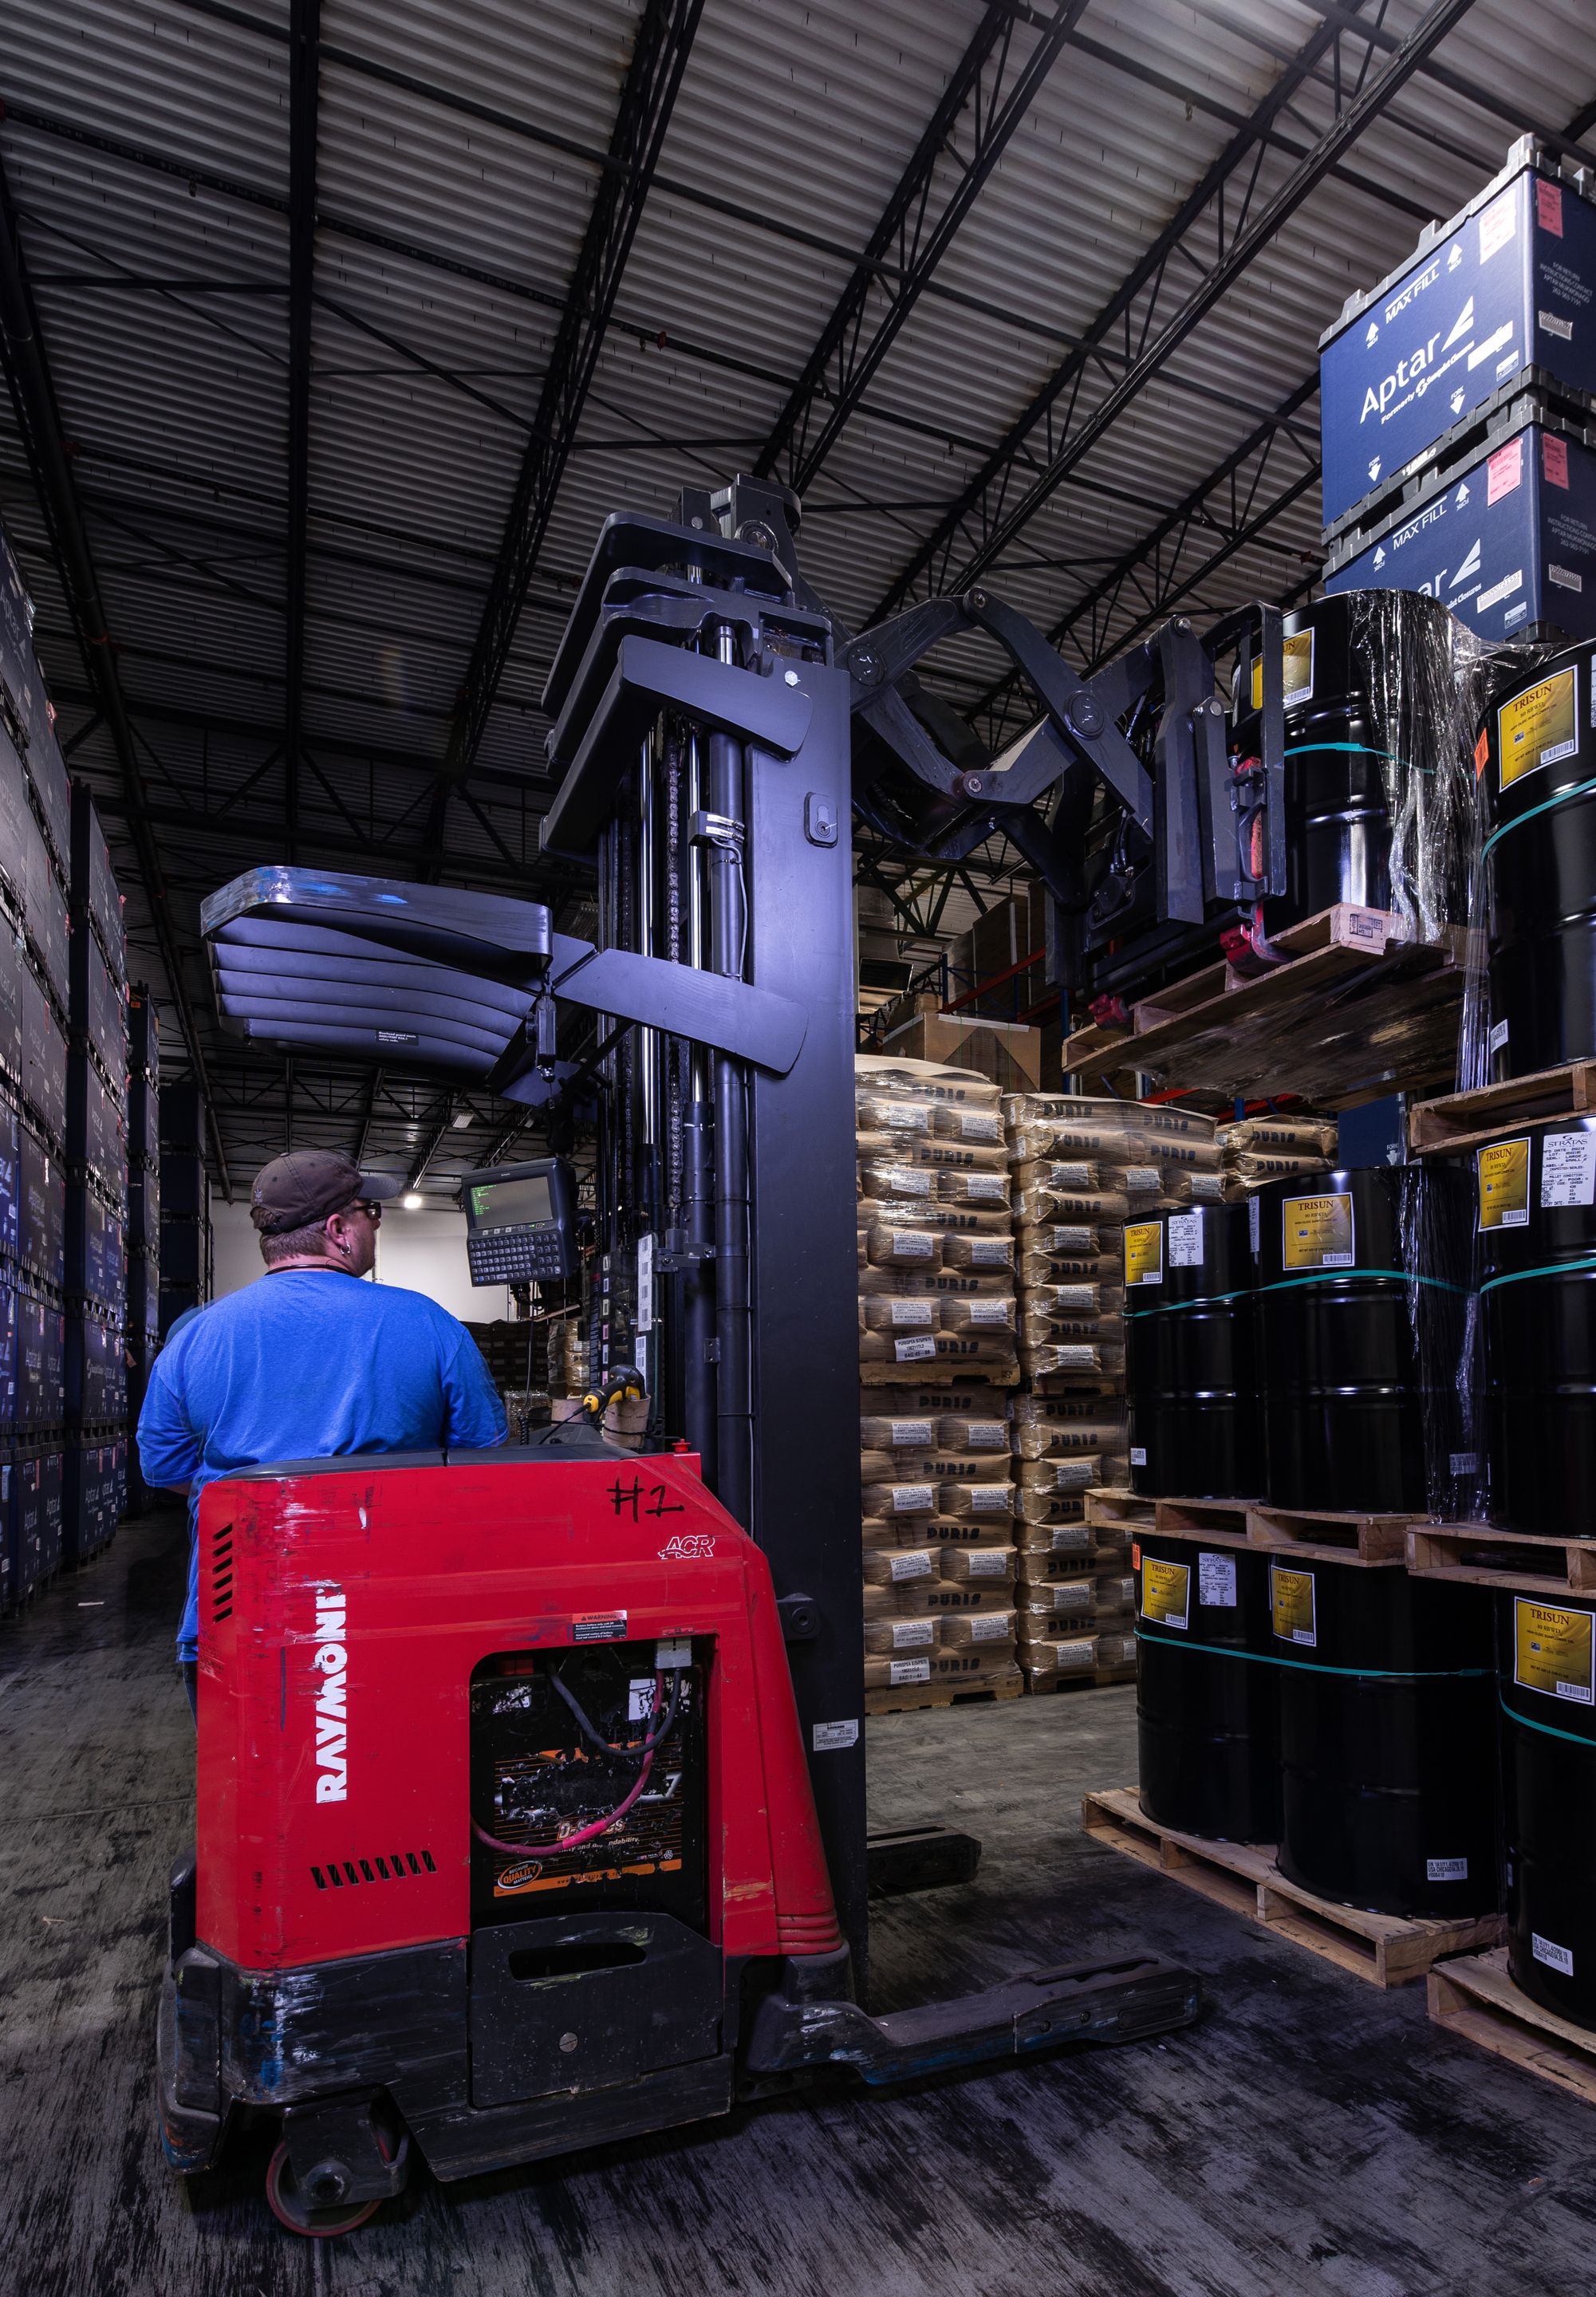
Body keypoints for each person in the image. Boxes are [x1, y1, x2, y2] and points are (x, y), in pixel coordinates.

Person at [137, 1148, 506, 1718]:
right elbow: (481, 1454)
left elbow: (165, 1468)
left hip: (238, 1611)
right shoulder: (426, 1322)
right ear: (338, 1230)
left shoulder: (196, 1335)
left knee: (252, 1792)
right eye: (369, 1213)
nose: (374, 1226)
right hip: (391, 1609)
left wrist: (263, 1490)